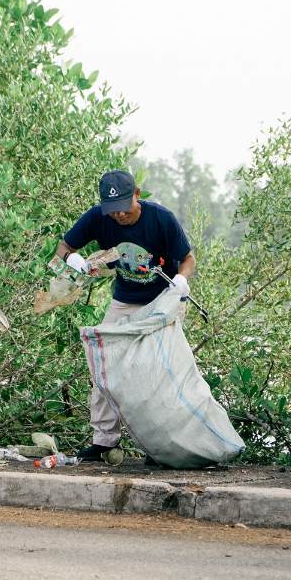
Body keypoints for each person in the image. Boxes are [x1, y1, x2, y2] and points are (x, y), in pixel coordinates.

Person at [56, 169, 195, 462]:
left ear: (137, 195)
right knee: (103, 365)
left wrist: (182, 279)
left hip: (163, 301)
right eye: (112, 209)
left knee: (159, 373)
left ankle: (162, 447)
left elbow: (188, 259)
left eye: (123, 206)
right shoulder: (98, 217)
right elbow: (64, 248)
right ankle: (104, 441)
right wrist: (75, 260)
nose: (118, 214)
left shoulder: (161, 219)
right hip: (124, 301)